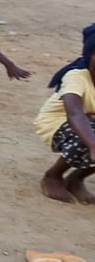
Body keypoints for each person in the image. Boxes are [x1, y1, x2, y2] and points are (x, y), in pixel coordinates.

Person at [35, 22, 95, 204]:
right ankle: (53, 176)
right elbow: (75, 113)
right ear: (89, 54)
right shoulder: (77, 76)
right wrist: (93, 145)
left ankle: (76, 179)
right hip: (57, 122)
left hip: (88, 120)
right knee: (89, 134)